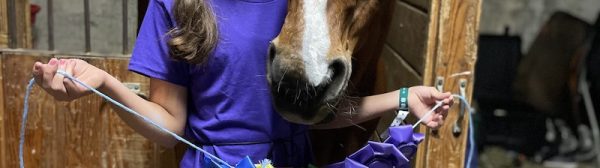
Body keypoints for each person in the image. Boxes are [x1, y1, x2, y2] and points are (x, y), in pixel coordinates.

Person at [31, 0, 453, 167]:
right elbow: (169, 126)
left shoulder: (296, 9)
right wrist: (104, 83)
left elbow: (307, 117)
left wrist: (400, 97)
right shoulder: (175, 3)